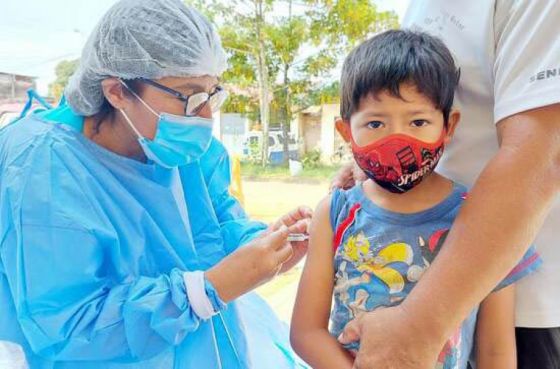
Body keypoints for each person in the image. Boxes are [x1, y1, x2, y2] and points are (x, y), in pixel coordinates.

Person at [0, 0, 312, 368]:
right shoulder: (44, 169)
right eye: (189, 95)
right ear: (117, 91)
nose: (206, 115)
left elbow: (212, 229)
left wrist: (265, 244)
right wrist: (202, 292)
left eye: (212, 93)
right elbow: (68, 326)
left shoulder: (184, 151)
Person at [290, 30, 541, 369]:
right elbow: (306, 331)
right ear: (346, 132)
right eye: (376, 122)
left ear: (448, 127)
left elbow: (495, 350)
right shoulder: (334, 213)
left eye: (418, 121)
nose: (397, 139)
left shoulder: (483, 220)